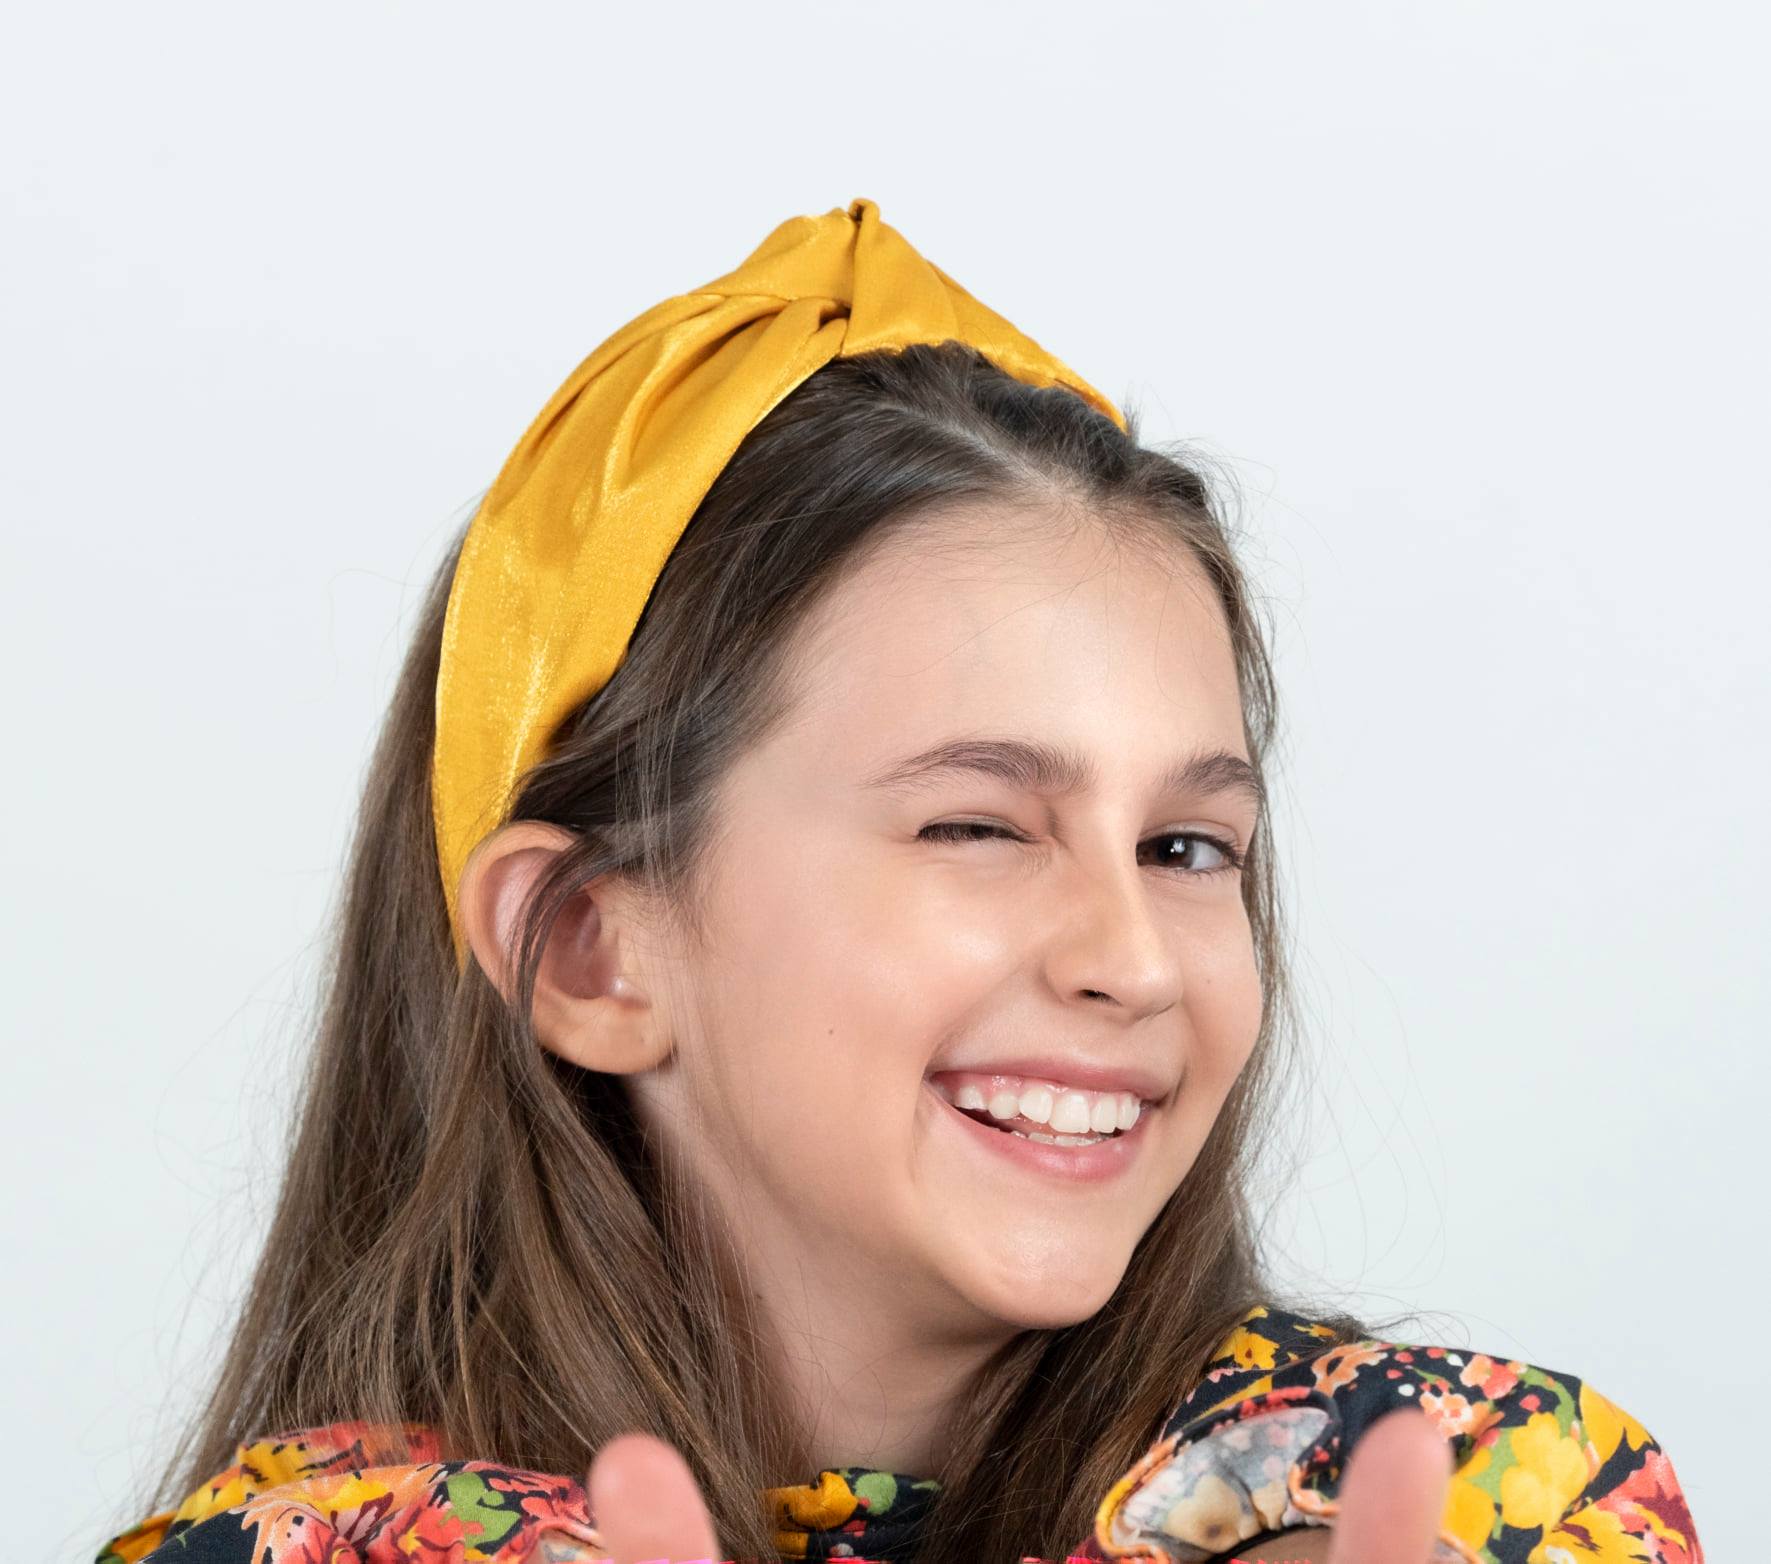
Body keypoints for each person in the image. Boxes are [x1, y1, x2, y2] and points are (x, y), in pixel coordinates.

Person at [95, 198, 1702, 1564]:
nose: (1135, 958)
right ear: (590, 948)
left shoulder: (1477, 1501)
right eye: (980, 828)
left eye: (1186, 848)